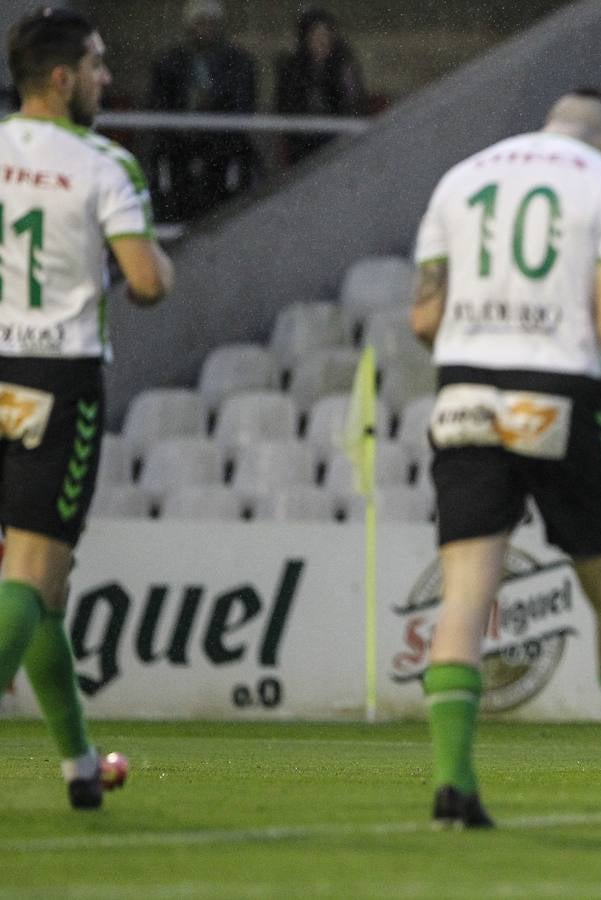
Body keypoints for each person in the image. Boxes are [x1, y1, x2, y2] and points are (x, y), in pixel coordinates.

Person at [409, 88, 601, 828]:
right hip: (559, 394)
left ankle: (455, 785)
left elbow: (424, 320)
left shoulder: (461, 176)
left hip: (464, 391)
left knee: (466, 593)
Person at [0, 7, 173, 809]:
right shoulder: (105, 164)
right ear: (63, 78)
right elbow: (146, 281)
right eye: (99, 66)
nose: (108, 79)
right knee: (32, 572)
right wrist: (147, 269)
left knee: (49, 594)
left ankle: (79, 765)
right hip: (55, 375)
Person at [145, 0, 258, 221]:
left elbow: (243, 104)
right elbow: (158, 104)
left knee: (221, 187)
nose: (205, 29)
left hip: (221, 142)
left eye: (211, 23)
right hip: (179, 142)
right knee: (175, 182)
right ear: (190, 26)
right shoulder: (170, 62)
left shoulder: (237, 62)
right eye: (200, 23)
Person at [274, 7, 366, 165]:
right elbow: (286, 105)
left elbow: (353, 102)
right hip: (303, 140)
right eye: (316, 35)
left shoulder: (343, 66)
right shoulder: (293, 68)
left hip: (338, 139)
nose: (322, 40)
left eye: (326, 34)